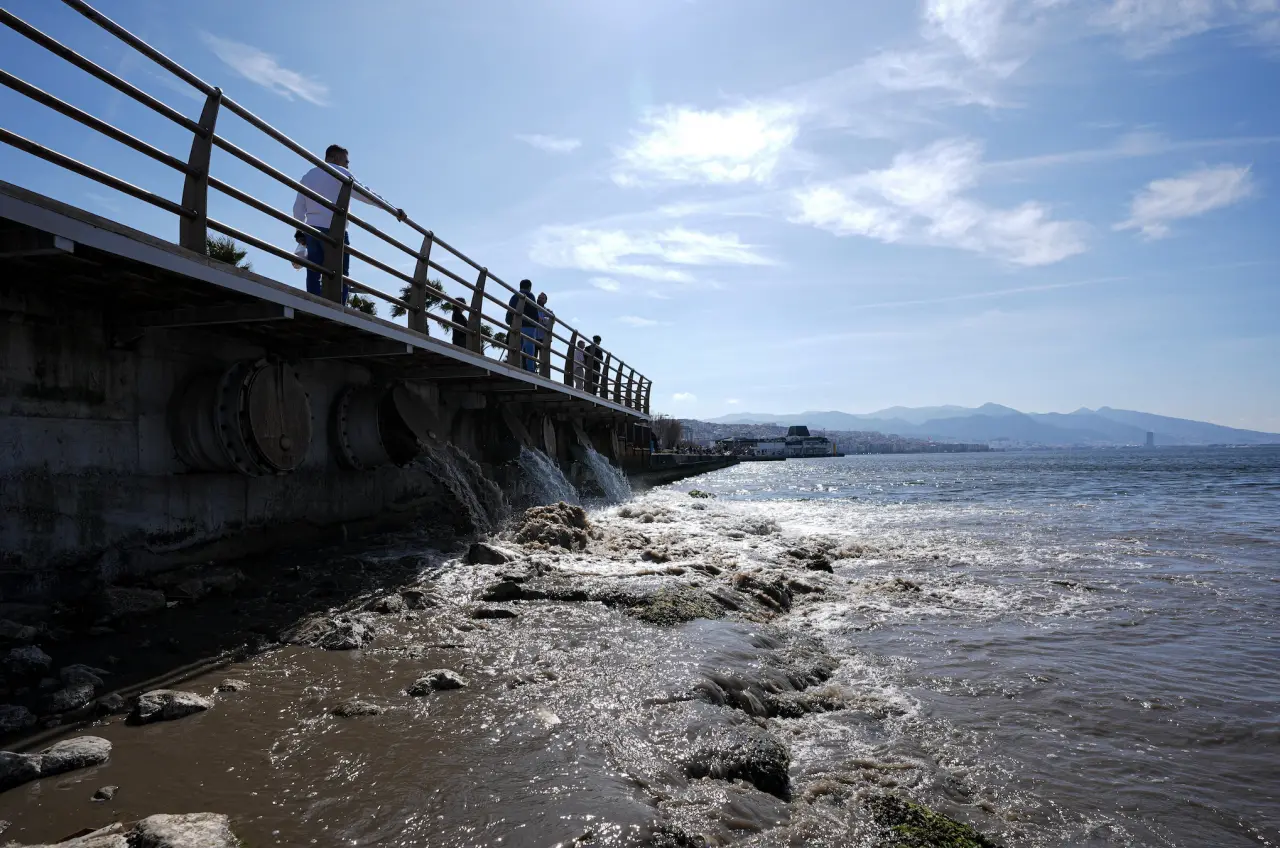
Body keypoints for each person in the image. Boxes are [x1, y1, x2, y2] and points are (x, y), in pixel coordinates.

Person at [292, 144, 404, 304]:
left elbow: (298, 208)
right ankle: (339, 306)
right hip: (335, 230)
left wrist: (299, 230)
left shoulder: (307, 176)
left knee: (314, 269)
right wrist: (392, 210)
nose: (347, 165)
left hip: (312, 229)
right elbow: (366, 195)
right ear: (336, 158)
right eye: (346, 161)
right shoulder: (340, 172)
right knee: (341, 272)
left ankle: (313, 303)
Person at [505, 279, 541, 372]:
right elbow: (534, 310)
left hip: (516, 325)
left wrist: (509, 321)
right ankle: (530, 370)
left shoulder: (514, 296)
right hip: (528, 326)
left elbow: (510, 311)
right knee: (529, 350)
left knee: (516, 348)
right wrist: (536, 322)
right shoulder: (530, 296)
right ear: (529, 287)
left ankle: (515, 368)